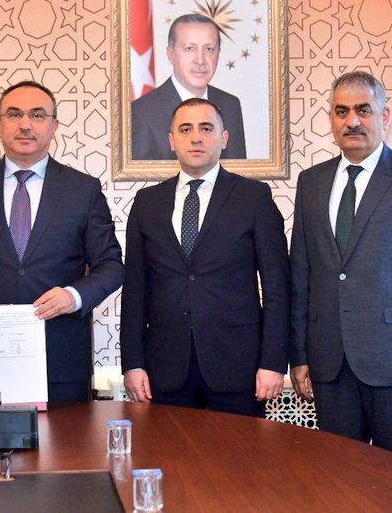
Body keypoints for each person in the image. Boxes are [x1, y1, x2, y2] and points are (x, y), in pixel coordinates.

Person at [289, 71, 392, 465]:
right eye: (342, 111)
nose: (352, 121)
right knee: (338, 481)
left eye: (363, 110)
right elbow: (301, 275)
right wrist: (299, 354)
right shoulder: (310, 183)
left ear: (384, 116)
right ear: (331, 118)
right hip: (330, 366)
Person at [0, 80, 125, 402]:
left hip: (61, 359)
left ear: (54, 126)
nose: (25, 124)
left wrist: (74, 296)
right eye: (14, 114)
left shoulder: (83, 189)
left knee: (69, 438)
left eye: (37, 115)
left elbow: (111, 265)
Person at [121, 98, 289, 417]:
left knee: (240, 451)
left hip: (239, 365)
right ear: (172, 141)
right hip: (165, 367)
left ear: (224, 138)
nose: (196, 137)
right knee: (171, 450)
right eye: (185, 129)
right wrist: (132, 363)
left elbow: (277, 287)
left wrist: (273, 362)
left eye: (206, 128)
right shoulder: (146, 203)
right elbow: (135, 291)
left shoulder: (254, 198)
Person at [131, 14, 246, 160]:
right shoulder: (141, 112)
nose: (200, 60)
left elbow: (238, 170)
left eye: (209, 49)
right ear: (170, 54)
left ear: (218, 54)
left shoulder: (230, 105)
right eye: (190, 48)